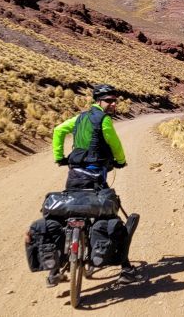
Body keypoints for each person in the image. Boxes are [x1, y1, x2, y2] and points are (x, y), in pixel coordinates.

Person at [50, 84, 145, 286]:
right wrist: (120, 161)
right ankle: (126, 268)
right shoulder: (104, 120)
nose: (112, 104)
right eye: (109, 100)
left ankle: (55, 269)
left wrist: (59, 157)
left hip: (74, 174)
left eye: (114, 101)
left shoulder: (80, 118)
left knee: (69, 212)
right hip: (95, 176)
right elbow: (114, 144)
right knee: (110, 216)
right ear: (98, 101)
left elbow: (58, 130)